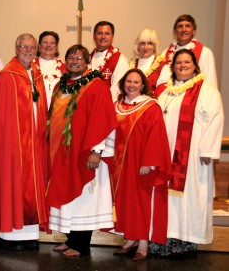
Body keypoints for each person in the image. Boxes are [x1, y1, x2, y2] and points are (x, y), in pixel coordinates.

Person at [150, 49, 224, 256]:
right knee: (165, 197)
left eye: (187, 62)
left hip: (192, 156)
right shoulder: (164, 90)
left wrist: (208, 149)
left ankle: (187, 242)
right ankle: (163, 237)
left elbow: (215, 118)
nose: (182, 66)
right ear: (172, 67)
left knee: (190, 197)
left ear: (195, 66)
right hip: (164, 153)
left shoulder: (206, 91)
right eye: (179, 63)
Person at [46, 44, 117, 256]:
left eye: (79, 58)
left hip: (85, 152)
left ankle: (81, 245)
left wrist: (97, 151)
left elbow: (103, 119)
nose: (74, 61)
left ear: (87, 63)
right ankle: (71, 239)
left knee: (83, 199)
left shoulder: (96, 86)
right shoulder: (62, 85)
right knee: (70, 200)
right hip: (63, 153)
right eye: (71, 58)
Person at [0, 33, 48, 251]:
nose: (28, 50)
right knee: (14, 184)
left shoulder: (37, 75)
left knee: (31, 186)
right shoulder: (7, 76)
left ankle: (30, 233)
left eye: (32, 47)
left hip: (34, 143)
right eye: (24, 46)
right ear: (16, 48)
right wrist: (9, 145)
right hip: (14, 145)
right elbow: (2, 119)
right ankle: (11, 235)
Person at [112, 69, 172, 260]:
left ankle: (143, 244)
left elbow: (156, 135)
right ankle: (130, 239)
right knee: (126, 202)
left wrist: (149, 161)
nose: (131, 85)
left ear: (142, 85)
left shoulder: (150, 107)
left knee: (140, 203)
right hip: (120, 165)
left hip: (139, 163)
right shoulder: (117, 105)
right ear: (123, 84)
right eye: (128, 81)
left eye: (136, 82)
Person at [157, 14, 218, 88]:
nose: (184, 29)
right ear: (175, 31)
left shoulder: (205, 53)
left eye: (187, 26)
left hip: (194, 97)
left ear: (194, 31)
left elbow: (211, 82)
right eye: (180, 26)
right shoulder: (166, 53)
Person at [89, 21, 129, 101]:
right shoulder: (87, 58)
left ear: (112, 37)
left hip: (106, 106)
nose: (103, 37)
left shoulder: (120, 60)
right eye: (99, 33)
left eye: (107, 33)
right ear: (94, 36)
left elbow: (118, 90)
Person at [32, 31, 67, 105]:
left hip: (57, 112)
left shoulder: (65, 69)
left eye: (52, 43)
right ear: (39, 46)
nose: (48, 45)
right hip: (36, 110)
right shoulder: (30, 67)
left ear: (56, 47)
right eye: (45, 42)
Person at [129, 29, 168, 94]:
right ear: (138, 46)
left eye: (150, 43)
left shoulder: (163, 66)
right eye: (143, 43)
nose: (146, 47)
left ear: (155, 47)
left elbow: (164, 92)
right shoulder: (130, 65)